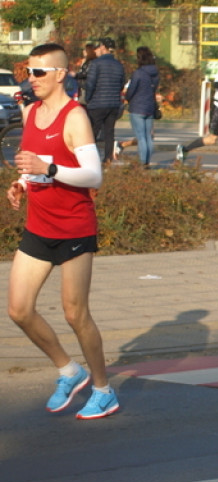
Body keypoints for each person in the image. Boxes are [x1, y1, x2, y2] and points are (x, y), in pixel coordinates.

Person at [7, 43, 117, 419]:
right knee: (19, 310)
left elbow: (93, 175)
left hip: (74, 228)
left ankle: (103, 390)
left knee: (75, 314)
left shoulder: (75, 116)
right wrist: (22, 182)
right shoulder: (31, 112)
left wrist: (49, 169)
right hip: (39, 226)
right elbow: (33, 164)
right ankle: (69, 370)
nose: (32, 78)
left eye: (39, 72)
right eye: (29, 71)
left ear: (60, 74)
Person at [84, 37, 125, 163]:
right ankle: (108, 158)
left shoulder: (96, 64)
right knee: (109, 133)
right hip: (113, 103)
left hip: (97, 103)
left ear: (103, 47)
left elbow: (90, 83)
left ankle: (88, 158)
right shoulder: (119, 65)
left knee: (92, 133)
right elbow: (122, 83)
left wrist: (88, 98)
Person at [122, 46, 159, 167]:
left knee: (141, 137)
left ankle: (143, 162)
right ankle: (147, 161)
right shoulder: (155, 73)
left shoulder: (138, 73)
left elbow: (131, 90)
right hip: (150, 107)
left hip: (137, 107)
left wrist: (127, 98)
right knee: (148, 137)